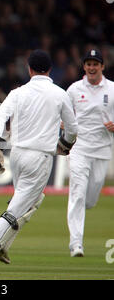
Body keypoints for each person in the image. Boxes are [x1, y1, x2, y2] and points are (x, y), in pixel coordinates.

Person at [0, 49, 78, 271]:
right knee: (20, 205)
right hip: (39, 157)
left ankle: (3, 244)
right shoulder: (60, 94)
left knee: (32, 199)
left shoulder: (18, 93)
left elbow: (0, 115)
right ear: (49, 70)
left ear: (29, 69)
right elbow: (73, 128)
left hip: (17, 155)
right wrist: (65, 145)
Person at [66, 49, 114, 257]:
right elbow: (63, 113)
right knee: (77, 193)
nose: (92, 68)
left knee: (91, 197)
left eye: (96, 64)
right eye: (89, 64)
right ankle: (76, 243)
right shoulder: (74, 89)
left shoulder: (112, 88)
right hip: (80, 148)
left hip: (102, 149)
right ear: (84, 67)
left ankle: (81, 206)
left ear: (102, 66)